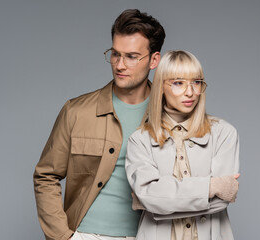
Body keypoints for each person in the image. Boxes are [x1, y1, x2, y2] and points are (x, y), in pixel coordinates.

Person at [33, 9, 165, 240]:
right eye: (115, 54)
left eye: (131, 56)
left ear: (154, 60)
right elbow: (46, 175)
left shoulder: (169, 115)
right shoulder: (76, 111)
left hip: (151, 235)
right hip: (85, 235)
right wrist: (63, 236)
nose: (119, 65)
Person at [125, 50, 240, 240]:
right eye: (178, 83)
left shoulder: (224, 133)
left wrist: (155, 202)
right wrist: (210, 187)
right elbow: (149, 197)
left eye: (196, 82)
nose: (190, 92)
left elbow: (221, 202)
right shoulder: (140, 139)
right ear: (161, 87)